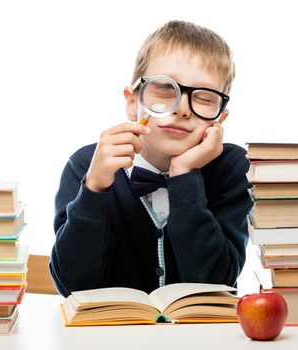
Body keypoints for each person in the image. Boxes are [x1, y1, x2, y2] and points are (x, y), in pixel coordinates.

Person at [50, 20, 252, 297]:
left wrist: (184, 173)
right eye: (166, 89)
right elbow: (73, 286)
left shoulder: (232, 168)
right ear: (133, 103)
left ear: (219, 119)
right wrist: (94, 189)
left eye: (204, 97)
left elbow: (215, 284)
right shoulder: (87, 165)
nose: (182, 109)